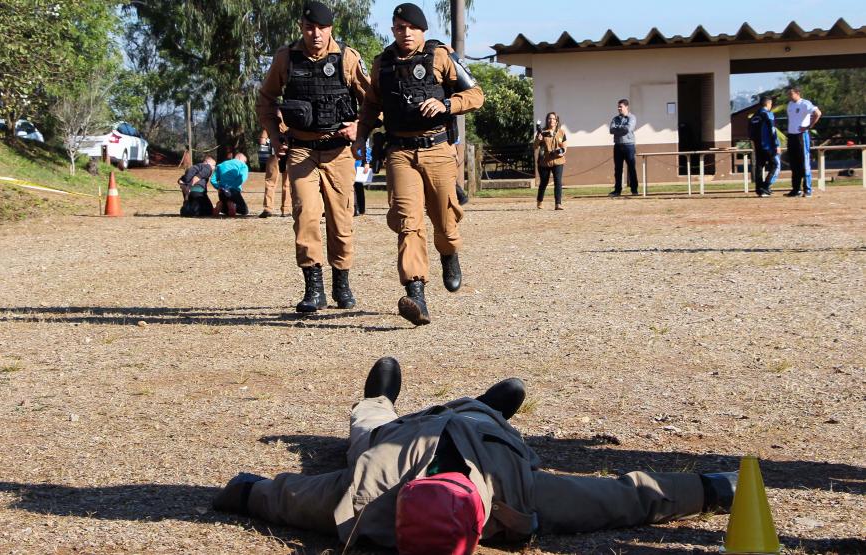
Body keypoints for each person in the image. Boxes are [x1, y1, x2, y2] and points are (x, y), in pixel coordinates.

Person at [213, 356, 739, 553]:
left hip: (393, 442)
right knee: (482, 414)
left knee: (367, 424)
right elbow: (623, 498)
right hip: (479, 434)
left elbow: (289, 498)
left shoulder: (361, 496)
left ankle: (379, 396)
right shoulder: (520, 496)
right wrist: (711, 489)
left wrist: (245, 492)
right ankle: (489, 406)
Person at [353, 2, 484, 326]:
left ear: (422, 31)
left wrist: (446, 103)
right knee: (407, 221)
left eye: (411, 28)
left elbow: (476, 95)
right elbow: (371, 106)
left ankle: (449, 253)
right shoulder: (382, 64)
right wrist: (360, 137)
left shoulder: (440, 56)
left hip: (437, 149)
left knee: (445, 219)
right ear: (394, 30)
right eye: (399, 28)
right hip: (399, 152)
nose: (406, 33)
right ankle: (416, 293)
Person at [257, 0, 371, 313]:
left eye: (321, 28)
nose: (316, 34)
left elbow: (373, 101)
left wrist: (359, 127)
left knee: (341, 219)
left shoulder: (347, 58)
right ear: (301, 28)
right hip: (301, 150)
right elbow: (265, 99)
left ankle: (341, 283)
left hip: (338, 152)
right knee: (306, 215)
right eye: (309, 28)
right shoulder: (286, 58)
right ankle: (313, 288)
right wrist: (276, 133)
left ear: (331, 28)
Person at [785, 87, 821, 197]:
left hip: (801, 135)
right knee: (794, 163)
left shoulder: (805, 103)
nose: (789, 96)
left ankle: (807, 189)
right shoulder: (790, 105)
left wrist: (808, 126)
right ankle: (796, 189)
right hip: (792, 136)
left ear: (797, 93)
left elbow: (817, 113)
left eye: (791, 94)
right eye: (788, 94)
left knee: (804, 163)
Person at [748, 96, 781, 197]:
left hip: (757, 146)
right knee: (775, 164)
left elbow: (750, 132)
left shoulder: (754, 116)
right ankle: (765, 186)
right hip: (767, 145)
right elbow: (772, 130)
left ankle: (759, 189)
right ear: (768, 104)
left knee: (759, 167)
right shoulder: (767, 114)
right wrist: (776, 144)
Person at [534, 111, 567, 210]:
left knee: (558, 181)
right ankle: (539, 201)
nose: (551, 120)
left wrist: (561, 152)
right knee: (544, 182)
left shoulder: (561, 132)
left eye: (553, 118)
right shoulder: (542, 132)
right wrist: (538, 140)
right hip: (544, 161)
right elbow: (535, 146)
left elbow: (564, 147)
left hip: (558, 160)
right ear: (547, 120)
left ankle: (558, 204)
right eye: (549, 118)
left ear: (556, 121)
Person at [258, 127, 292, 218]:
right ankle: (286, 209)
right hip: (288, 153)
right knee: (287, 183)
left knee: (270, 182)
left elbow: (262, 140)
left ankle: (268, 208)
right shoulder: (290, 119)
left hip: (274, 153)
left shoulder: (271, 119)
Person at [609, 99, 638, 197]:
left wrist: (618, 130)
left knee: (631, 168)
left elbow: (628, 129)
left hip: (629, 145)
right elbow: (611, 130)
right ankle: (617, 190)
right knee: (617, 169)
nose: (619, 108)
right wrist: (620, 129)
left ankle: (634, 190)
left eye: (620, 107)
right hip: (617, 146)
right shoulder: (615, 118)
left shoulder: (632, 118)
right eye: (618, 107)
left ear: (626, 107)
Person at [353, 138, 372, 216]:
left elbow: (367, 147)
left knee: (358, 185)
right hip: (346, 160)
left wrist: (367, 162)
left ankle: (360, 209)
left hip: (358, 162)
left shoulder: (362, 133)